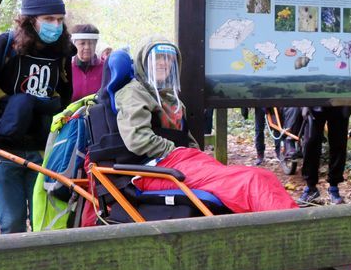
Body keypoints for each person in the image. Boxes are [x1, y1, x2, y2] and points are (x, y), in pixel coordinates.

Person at [112, 37, 298, 213]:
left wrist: (194, 154)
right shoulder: (133, 93)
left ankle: (293, 225)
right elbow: (137, 138)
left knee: (264, 176)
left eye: (168, 58)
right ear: (144, 62)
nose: (163, 63)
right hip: (154, 171)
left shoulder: (170, 98)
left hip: (179, 163)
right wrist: (176, 151)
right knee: (249, 182)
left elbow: (187, 140)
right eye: (157, 58)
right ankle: (293, 230)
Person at [0, 0, 75, 234]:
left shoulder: (62, 53)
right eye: (48, 19)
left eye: (59, 19)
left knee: (43, 221)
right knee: (13, 222)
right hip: (1, 152)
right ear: (30, 20)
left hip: (42, 152)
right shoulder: (5, 46)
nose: (55, 25)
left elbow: (66, 101)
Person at [298, 106, 351, 205]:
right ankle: (311, 187)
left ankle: (333, 187)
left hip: (339, 100)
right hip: (314, 102)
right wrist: (304, 104)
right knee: (311, 143)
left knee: (339, 144)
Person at [70, 23, 104, 101]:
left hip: (97, 111)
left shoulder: (105, 68)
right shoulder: (66, 69)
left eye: (91, 43)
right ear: (74, 44)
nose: (87, 47)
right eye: (82, 43)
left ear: (96, 44)